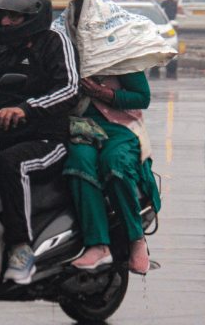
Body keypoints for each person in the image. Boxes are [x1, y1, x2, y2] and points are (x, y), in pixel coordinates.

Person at [0, 0, 79, 284]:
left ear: (33, 17)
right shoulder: (1, 49)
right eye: (2, 15)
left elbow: (69, 88)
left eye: (12, 17)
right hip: (0, 134)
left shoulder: (54, 42)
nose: (3, 22)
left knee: (9, 164)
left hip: (48, 139)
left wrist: (26, 109)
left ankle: (21, 248)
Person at [65, 72, 159, 274]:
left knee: (114, 163)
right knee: (79, 162)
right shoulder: (65, 49)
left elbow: (142, 97)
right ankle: (98, 245)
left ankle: (136, 239)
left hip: (119, 128)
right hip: (80, 128)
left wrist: (102, 93)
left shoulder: (119, 48)